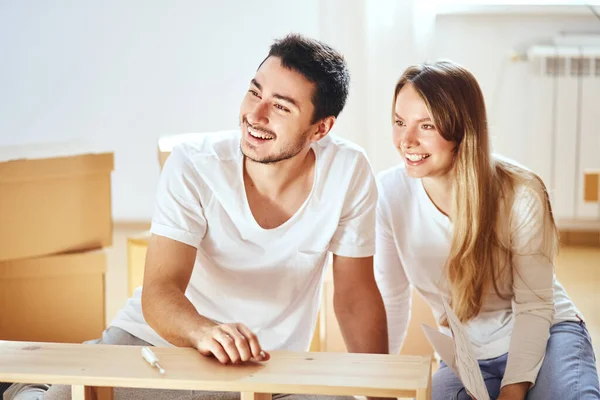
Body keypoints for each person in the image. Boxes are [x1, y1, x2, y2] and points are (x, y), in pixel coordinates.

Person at [6, 34, 388, 400]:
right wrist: (205, 332)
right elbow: (161, 290)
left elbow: (355, 297)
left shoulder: (348, 170)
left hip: (270, 369)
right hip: (158, 345)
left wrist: (382, 395)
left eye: (281, 106)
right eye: (255, 91)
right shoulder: (194, 163)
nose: (255, 114)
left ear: (320, 128)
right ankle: (36, 388)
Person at [374, 60, 600, 400]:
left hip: (546, 333)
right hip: (465, 355)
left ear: (462, 131)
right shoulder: (389, 193)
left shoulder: (520, 192)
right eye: (399, 122)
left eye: (427, 126)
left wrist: (513, 389)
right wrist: (377, 386)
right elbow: (392, 300)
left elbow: (535, 306)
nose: (406, 140)